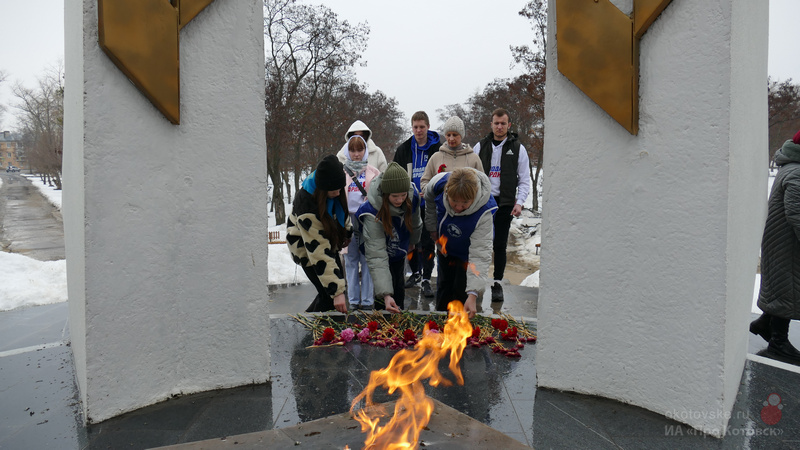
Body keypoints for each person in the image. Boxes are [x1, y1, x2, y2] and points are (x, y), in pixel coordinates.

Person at [750, 129, 800, 366]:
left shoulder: (790, 166)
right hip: (787, 244)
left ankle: (765, 323)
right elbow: (797, 213)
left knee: (782, 287)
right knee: (787, 291)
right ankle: (778, 344)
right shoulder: (798, 172)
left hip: (780, 241)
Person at [474, 108, 531, 303]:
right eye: (496, 123)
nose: (499, 127)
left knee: (499, 245)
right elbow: (472, 175)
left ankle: (497, 283)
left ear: (509, 125)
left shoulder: (518, 148)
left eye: (503, 123)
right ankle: (477, 283)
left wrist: (520, 202)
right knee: (480, 245)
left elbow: (524, 179)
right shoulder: (480, 146)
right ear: (491, 124)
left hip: (505, 203)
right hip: (483, 202)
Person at [425, 167, 497, 318]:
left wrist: (473, 294)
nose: (458, 207)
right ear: (447, 193)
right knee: (444, 285)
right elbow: (429, 197)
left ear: (474, 196)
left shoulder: (484, 212)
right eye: (454, 202)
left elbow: (480, 254)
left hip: (468, 254)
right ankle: (440, 322)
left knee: (461, 289)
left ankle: (459, 325)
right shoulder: (439, 184)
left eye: (465, 203)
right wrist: (432, 226)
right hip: (446, 247)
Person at [286, 155, 352, 313]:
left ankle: (312, 326)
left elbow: (342, 210)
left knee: (332, 293)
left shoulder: (333, 190)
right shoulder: (306, 204)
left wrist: (347, 232)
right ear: (323, 189)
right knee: (330, 295)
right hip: (307, 249)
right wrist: (336, 291)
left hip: (329, 240)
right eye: (333, 190)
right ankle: (307, 328)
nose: (337, 193)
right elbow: (318, 252)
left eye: (339, 189)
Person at [357, 162, 421, 313]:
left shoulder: (413, 197)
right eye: (395, 196)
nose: (400, 200)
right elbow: (377, 256)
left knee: (398, 281)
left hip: (399, 246)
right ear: (385, 194)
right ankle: (381, 316)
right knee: (383, 290)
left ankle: (400, 320)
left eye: (403, 195)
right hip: (377, 247)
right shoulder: (371, 212)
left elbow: (416, 221)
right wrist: (386, 295)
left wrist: (413, 241)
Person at [394, 111, 441, 297]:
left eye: (422, 127)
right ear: (411, 128)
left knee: (428, 242)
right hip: (410, 202)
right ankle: (415, 272)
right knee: (411, 241)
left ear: (428, 127)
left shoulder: (438, 147)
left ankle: (427, 278)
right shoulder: (404, 149)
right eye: (415, 127)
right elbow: (395, 173)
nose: (419, 130)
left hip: (430, 202)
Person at [341, 135, 381, 310]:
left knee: (367, 261)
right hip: (348, 221)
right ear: (347, 152)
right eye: (352, 150)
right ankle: (353, 300)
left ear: (365, 151)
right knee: (350, 262)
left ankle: (366, 301)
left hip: (367, 221)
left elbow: (380, 196)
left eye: (359, 150)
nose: (356, 154)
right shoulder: (341, 173)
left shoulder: (373, 172)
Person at [420, 116, 483, 191]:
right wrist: (431, 193)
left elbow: (483, 184)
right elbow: (424, 181)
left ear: (461, 135)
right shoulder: (436, 157)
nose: (451, 138)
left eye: (455, 135)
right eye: (448, 135)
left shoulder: (474, 158)